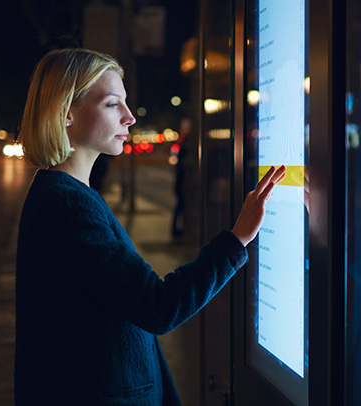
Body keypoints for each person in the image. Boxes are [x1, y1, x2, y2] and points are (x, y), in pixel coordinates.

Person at [15, 48, 286, 405]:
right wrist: (238, 239)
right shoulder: (68, 205)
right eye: (113, 104)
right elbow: (158, 306)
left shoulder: (64, 195)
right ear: (66, 113)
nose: (129, 118)